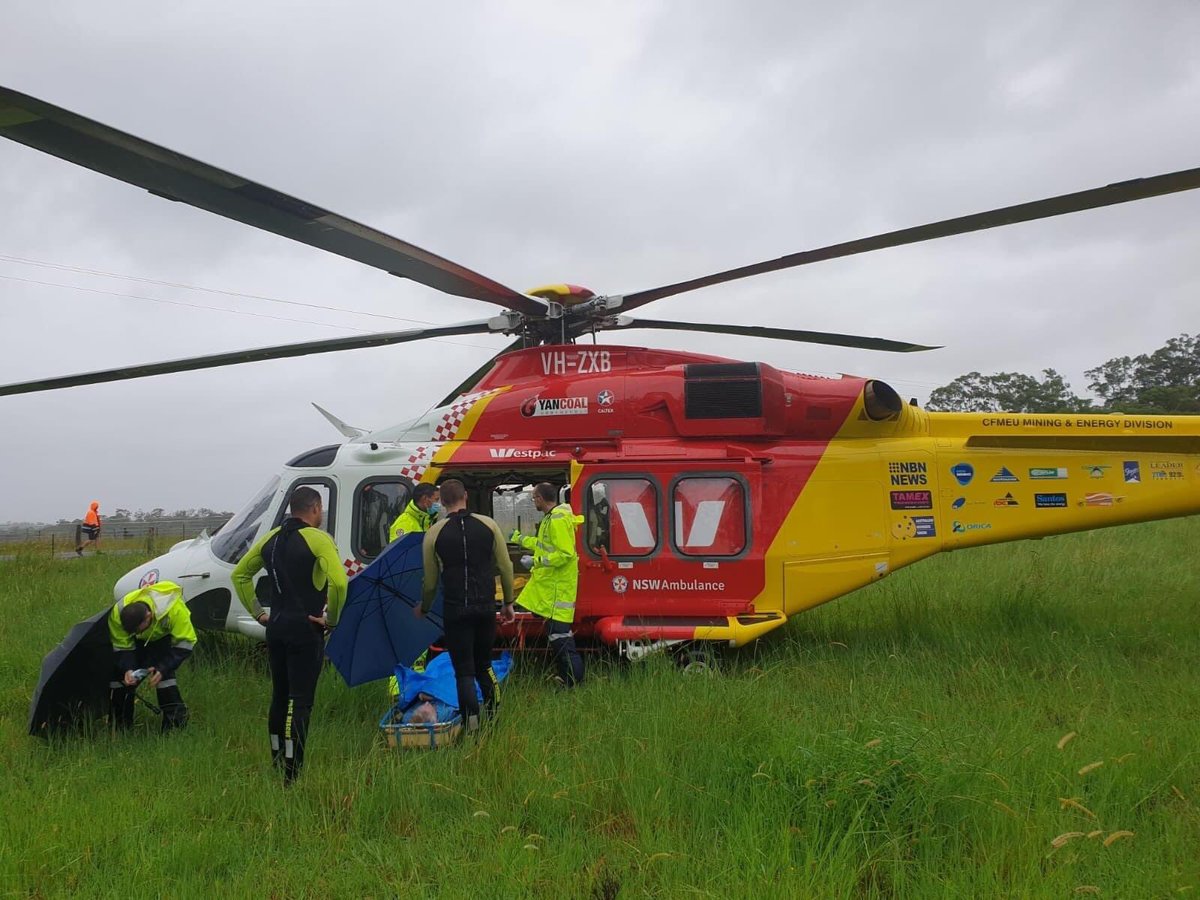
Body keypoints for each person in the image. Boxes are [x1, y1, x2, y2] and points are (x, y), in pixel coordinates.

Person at [231, 487, 347, 784]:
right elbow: (339, 583)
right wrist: (330, 619)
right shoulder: (319, 539)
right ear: (315, 509)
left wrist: (259, 613)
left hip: (276, 627)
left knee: (279, 696)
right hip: (306, 629)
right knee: (300, 701)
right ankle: (292, 774)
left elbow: (239, 575)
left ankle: (276, 759)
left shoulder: (270, 539)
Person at [416, 478, 514, 732]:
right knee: (484, 665)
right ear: (466, 496)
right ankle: (494, 717)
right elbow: (505, 567)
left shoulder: (434, 533)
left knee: (464, 672)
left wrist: (424, 608)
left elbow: (430, 582)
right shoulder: (488, 524)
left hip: (455, 608)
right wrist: (508, 603)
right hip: (484, 607)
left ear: (442, 502)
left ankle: (471, 726)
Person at [510, 483, 585, 687]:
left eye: (534, 498)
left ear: (541, 498)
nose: (533, 501)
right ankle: (566, 679)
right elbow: (542, 545)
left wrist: (535, 561)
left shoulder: (556, 521)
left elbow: (565, 554)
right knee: (557, 638)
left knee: (562, 640)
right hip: (553, 590)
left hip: (557, 591)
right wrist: (519, 539)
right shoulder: (552, 518)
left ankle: (573, 682)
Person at [108, 579, 196, 732]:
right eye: (133, 631)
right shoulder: (118, 613)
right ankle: (120, 726)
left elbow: (185, 644)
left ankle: (174, 726)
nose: (137, 633)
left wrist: (163, 668)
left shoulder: (174, 610)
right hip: (138, 644)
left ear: (149, 616)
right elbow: (123, 645)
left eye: (139, 629)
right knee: (121, 680)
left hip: (163, 639)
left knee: (164, 680)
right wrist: (128, 669)